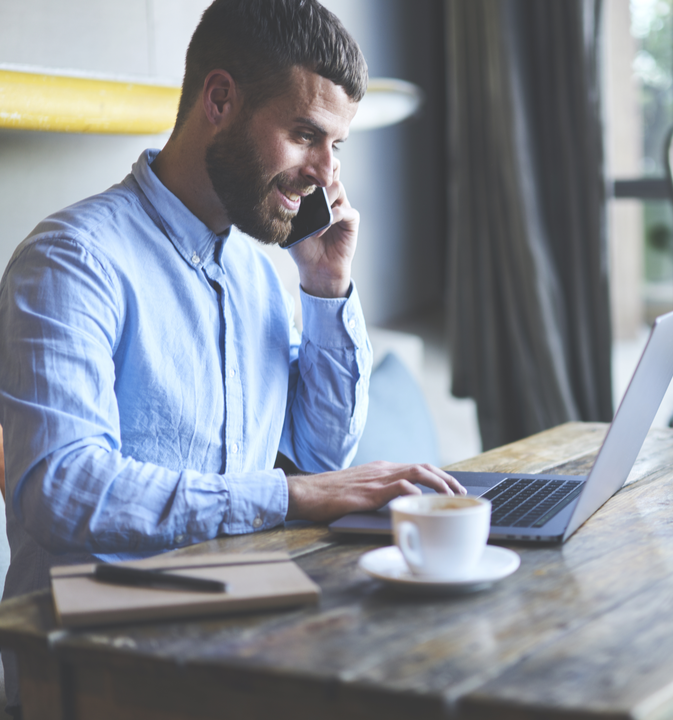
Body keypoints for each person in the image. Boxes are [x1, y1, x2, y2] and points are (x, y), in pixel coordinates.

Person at [0, 0, 463, 712]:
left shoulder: (269, 268)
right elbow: (65, 489)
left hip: (243, 637)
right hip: (96, 668)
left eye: (336, 145)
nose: (325, 171)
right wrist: (283, 498)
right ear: (219, 99)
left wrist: (326, 286)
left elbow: (319, 451)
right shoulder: (72, 262)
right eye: (305, 134)